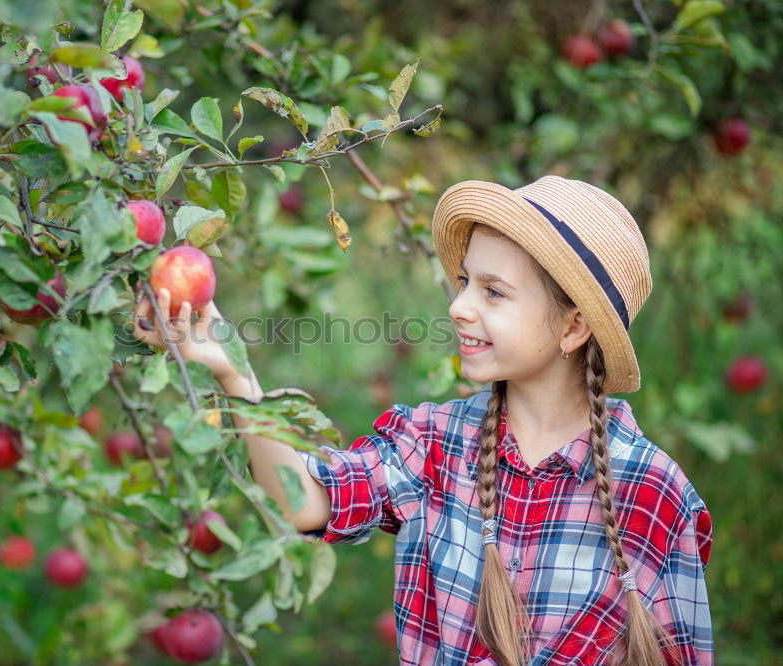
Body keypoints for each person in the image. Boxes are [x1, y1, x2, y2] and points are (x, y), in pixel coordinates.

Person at [133, 175, 713, 665]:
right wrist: (235, 372)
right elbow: (303, 501)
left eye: (494, 292)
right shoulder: (435, 444)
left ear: (572, 328)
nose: (459, 306)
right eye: (465, 282)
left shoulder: (655, 495)